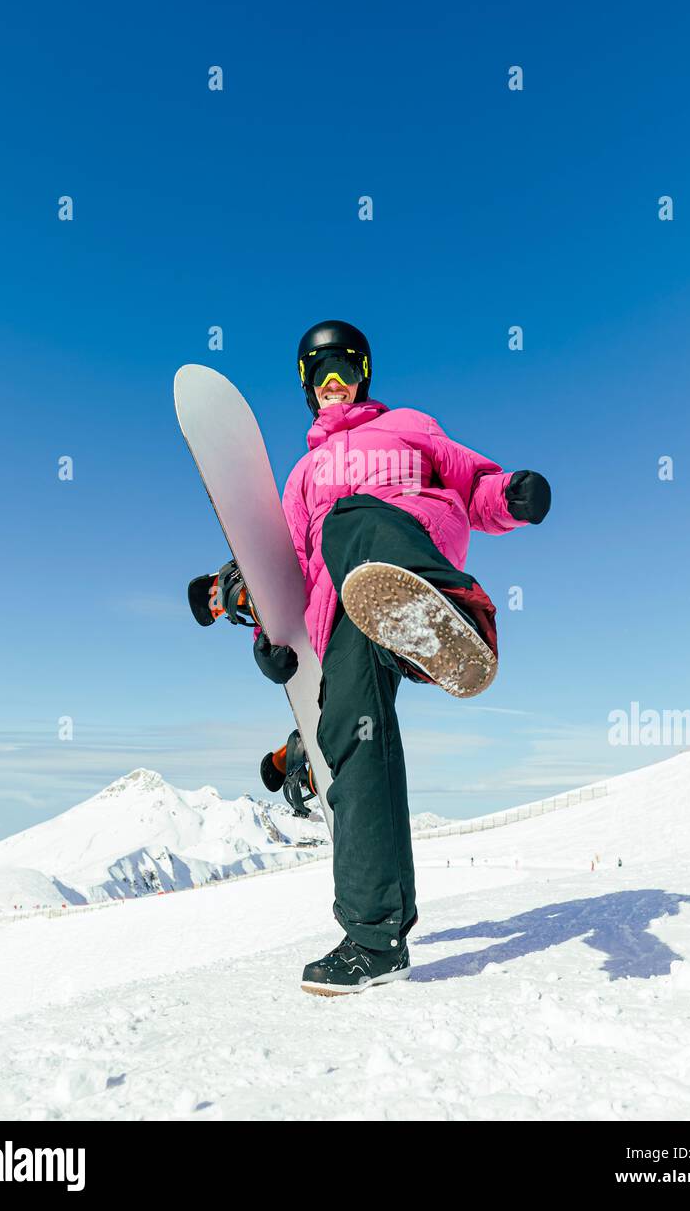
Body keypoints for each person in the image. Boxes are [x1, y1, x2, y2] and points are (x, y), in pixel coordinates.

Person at [215, 319, 550, 996]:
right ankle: (374, 938)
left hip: (410, 558)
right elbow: (291, 571)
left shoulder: (409, 426)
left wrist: (511, 495)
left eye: (343, 367)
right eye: (319, 373)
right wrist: (272, 640)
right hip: (350, 609)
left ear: (365, 373)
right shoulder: (302, 476)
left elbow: (474, 483)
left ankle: (456, 619)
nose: (333, 382)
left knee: (353, 520)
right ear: (306, 388)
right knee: (348, 737)